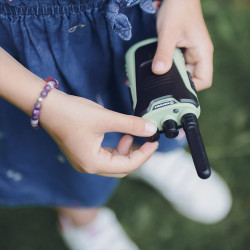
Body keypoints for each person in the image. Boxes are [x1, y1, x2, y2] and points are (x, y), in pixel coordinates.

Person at [0, 0, 232, 249]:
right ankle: (83, 219)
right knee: (63, 158)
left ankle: (152, 155)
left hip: (133, 19)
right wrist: (44, 104)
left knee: (153, 104)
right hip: (27, 66)